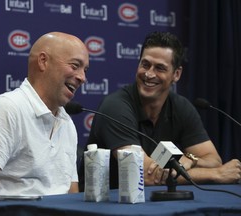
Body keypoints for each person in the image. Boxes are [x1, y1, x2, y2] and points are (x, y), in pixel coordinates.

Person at [79, 31, 241, 190]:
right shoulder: (115, 106)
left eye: (160, 68)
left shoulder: (181, 106)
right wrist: (215, 175)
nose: (149, 74)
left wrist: (191, 160)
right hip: (108, 206)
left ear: (176, 74)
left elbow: (213, 160)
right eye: (145, 64)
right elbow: (144, 176)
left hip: (153, 204)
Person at [0, 32, 89, 199]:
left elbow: (70, 190)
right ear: (43, 61)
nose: (83, 78)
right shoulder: (5, 110)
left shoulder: (66, 122)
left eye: (85, 70)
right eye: (75, 66)